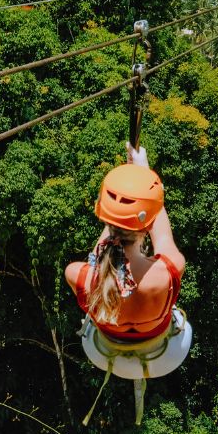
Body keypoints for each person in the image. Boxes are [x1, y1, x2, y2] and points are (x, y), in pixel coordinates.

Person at [64, 145, 187, 345]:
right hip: (158, 342)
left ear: (101, 212)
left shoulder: (77, 275)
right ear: (148, 223)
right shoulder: (170, 269)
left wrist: (118, 211)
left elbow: (96, 261)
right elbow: (163, 236)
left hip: (108, 343)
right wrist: (144, 172)